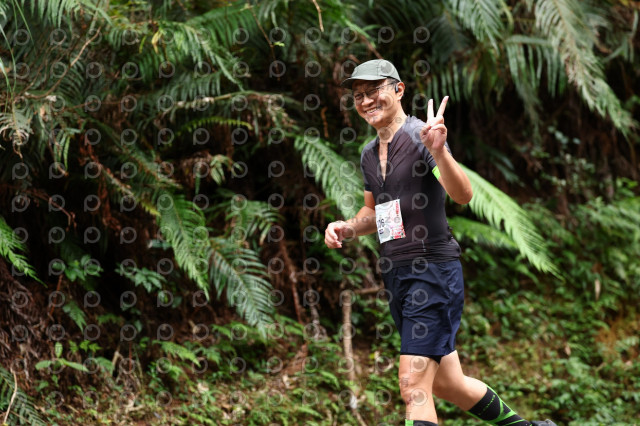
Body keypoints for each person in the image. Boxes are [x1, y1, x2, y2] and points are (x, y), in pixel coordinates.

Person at [324, 59, 556, 426]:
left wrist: (438, 151)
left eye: (374, 90)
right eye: (358, 96)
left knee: (413, 384)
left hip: (431, 271)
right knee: (449, 384)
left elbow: (462, 194)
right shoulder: (368, 153)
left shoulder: (422, 137)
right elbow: (374, 211)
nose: (366, 101)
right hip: (398, 275)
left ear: (399, 90)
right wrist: (346, 227)